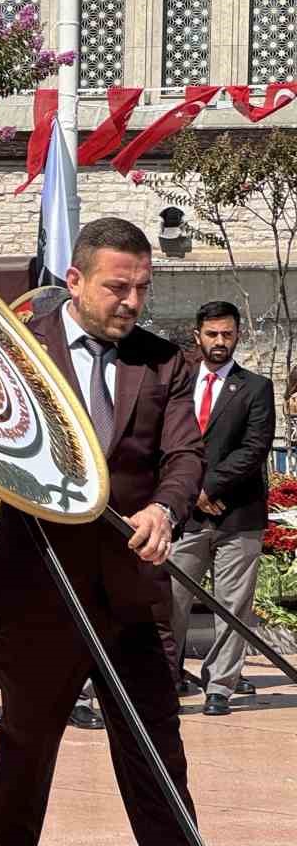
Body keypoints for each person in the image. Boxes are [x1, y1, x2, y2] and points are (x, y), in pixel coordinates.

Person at [0, 218, 284, 846]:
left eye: (143, 287)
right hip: (39, 593)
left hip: (131, 597)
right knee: (27, 757)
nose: (132, 301)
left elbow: (185, 454)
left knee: (158, 753)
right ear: (76, 280)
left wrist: (165, 509)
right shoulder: (21, 349)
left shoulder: (164, 360)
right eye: (118, 286)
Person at [168, 301, 275, 715]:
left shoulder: (255, 387)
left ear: (237, 336)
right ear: (198, 336)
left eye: (227, 334)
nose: (219, 342)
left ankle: (221, 687)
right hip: (184, 516)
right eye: (211, 334)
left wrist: (208, 485)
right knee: (172, 600)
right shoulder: (177, 384)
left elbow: (254, 449)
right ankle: (169, 675)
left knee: (232, 606)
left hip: (238, 515)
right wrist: (190, 492)